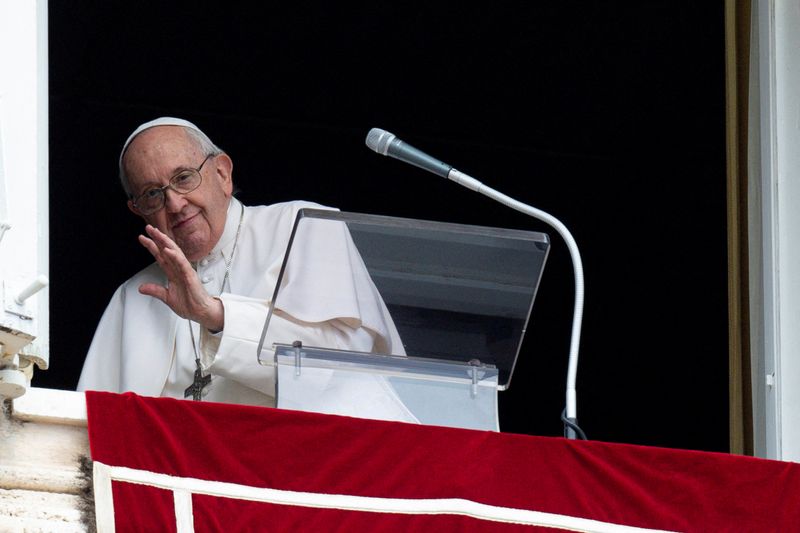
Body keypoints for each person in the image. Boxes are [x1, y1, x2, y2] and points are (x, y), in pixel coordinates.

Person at [78, 117, 411, 419]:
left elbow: (336, 364)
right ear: (139, 211)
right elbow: (93, 423)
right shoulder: (132, 297)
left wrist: (218, 317)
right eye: (153, 194)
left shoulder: (302, 225)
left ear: (222, 173)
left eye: (183, 178)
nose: (175, 204)